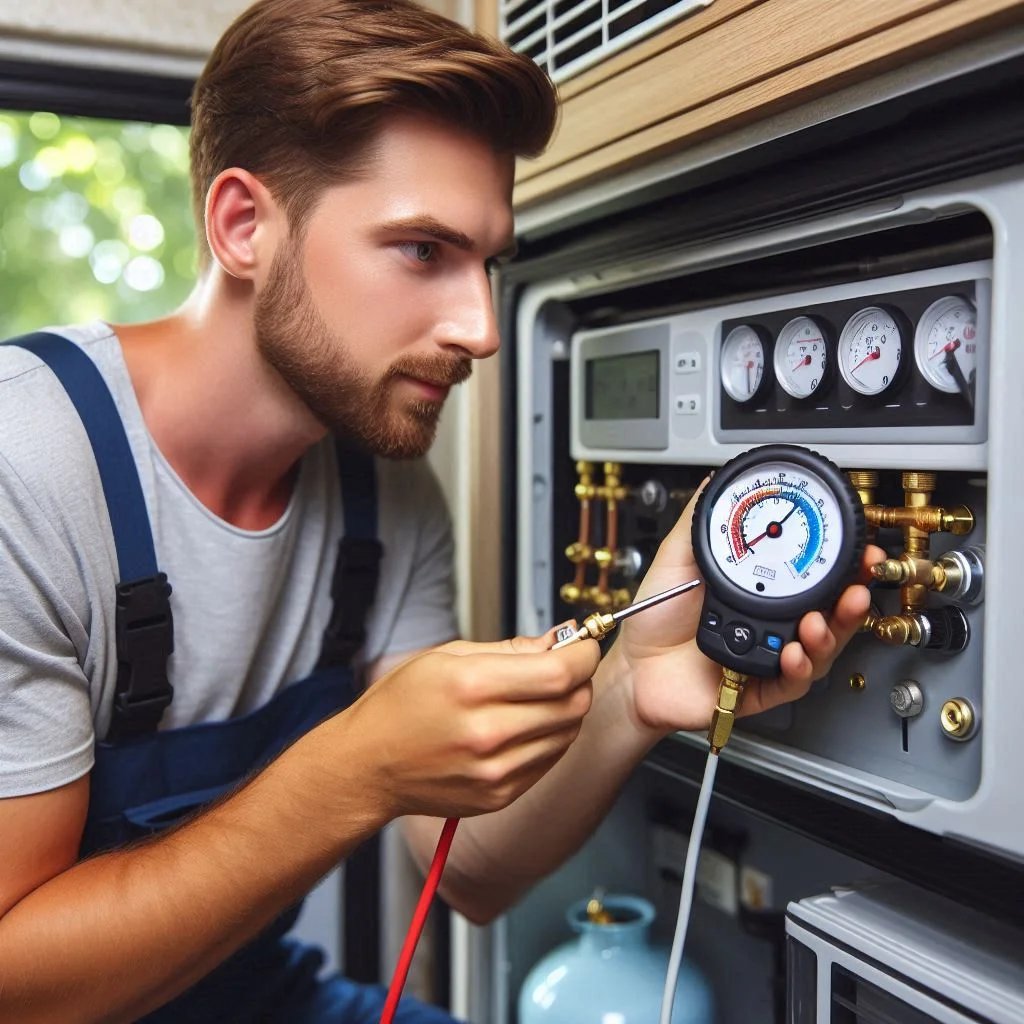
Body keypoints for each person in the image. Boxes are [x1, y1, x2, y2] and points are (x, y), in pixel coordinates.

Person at [0, 1, 881, 1021]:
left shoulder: (388, 497)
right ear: (244, 225)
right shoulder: (30, 471)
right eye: (422, 250)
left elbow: (464, 873)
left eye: (488, 264)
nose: (478, 328)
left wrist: (631, 689)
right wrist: (352, 767)